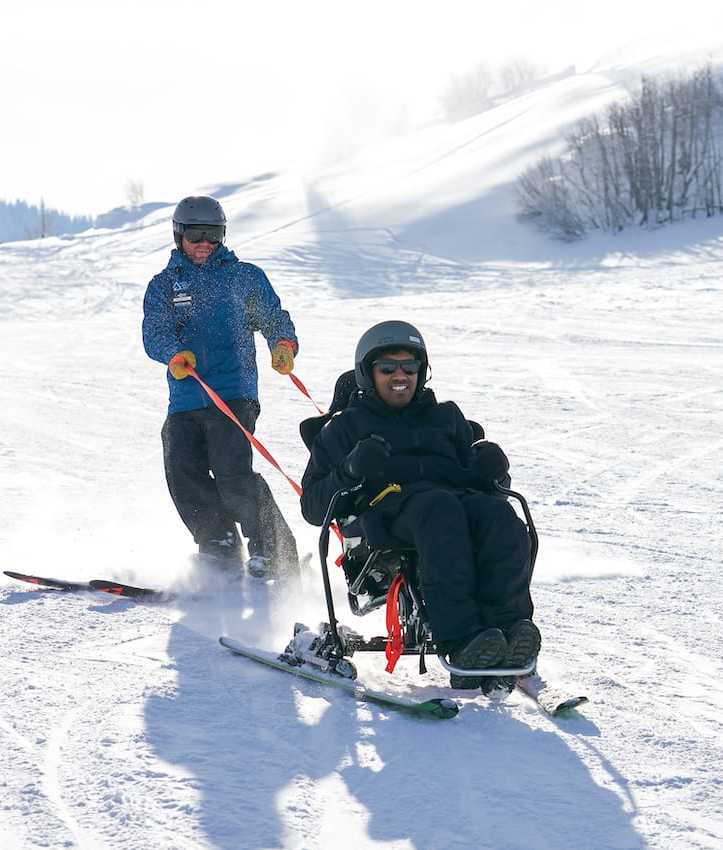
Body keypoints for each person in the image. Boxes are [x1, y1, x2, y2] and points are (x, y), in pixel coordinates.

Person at [299, 320, 541, 691]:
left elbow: (479, 484)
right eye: (388, 367)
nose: (401, 375)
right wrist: (349, 469)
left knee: (498, 515)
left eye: (409, 367)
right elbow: (314, 506)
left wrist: (492, 473)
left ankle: (506, 633)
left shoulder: (446, 417)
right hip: (385, 514)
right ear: (367, 373)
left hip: (451, 504)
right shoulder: (345, 427)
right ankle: (462, 641)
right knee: (439, 508)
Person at [142, 195, 301, 581]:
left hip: (233, 393)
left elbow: (273, 317)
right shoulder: (164, 285)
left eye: (212, 235)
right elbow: (155, 332)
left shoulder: (243, 276)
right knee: (183, 472)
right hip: (185, 397)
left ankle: (275, 551)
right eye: (195, 234)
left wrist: (282, 345)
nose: (204, 243)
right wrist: (173, 353)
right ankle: (219, 547)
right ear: (179, 235)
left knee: (232, 472)